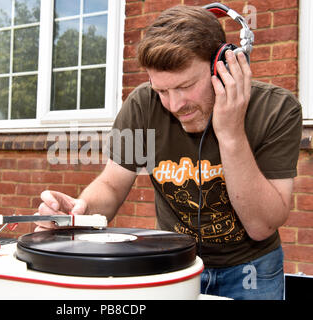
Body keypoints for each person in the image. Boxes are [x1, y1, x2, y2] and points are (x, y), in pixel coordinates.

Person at [35, 5, 302, 300]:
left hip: (252, 271)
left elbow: (262, 226)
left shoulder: (277, 109)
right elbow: (111, 184)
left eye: (185, 86)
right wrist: (78, 212)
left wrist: (231, 131)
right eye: (162, 91)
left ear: (222, 67)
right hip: (173, 264)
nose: (174, 105)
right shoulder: (142, 105)